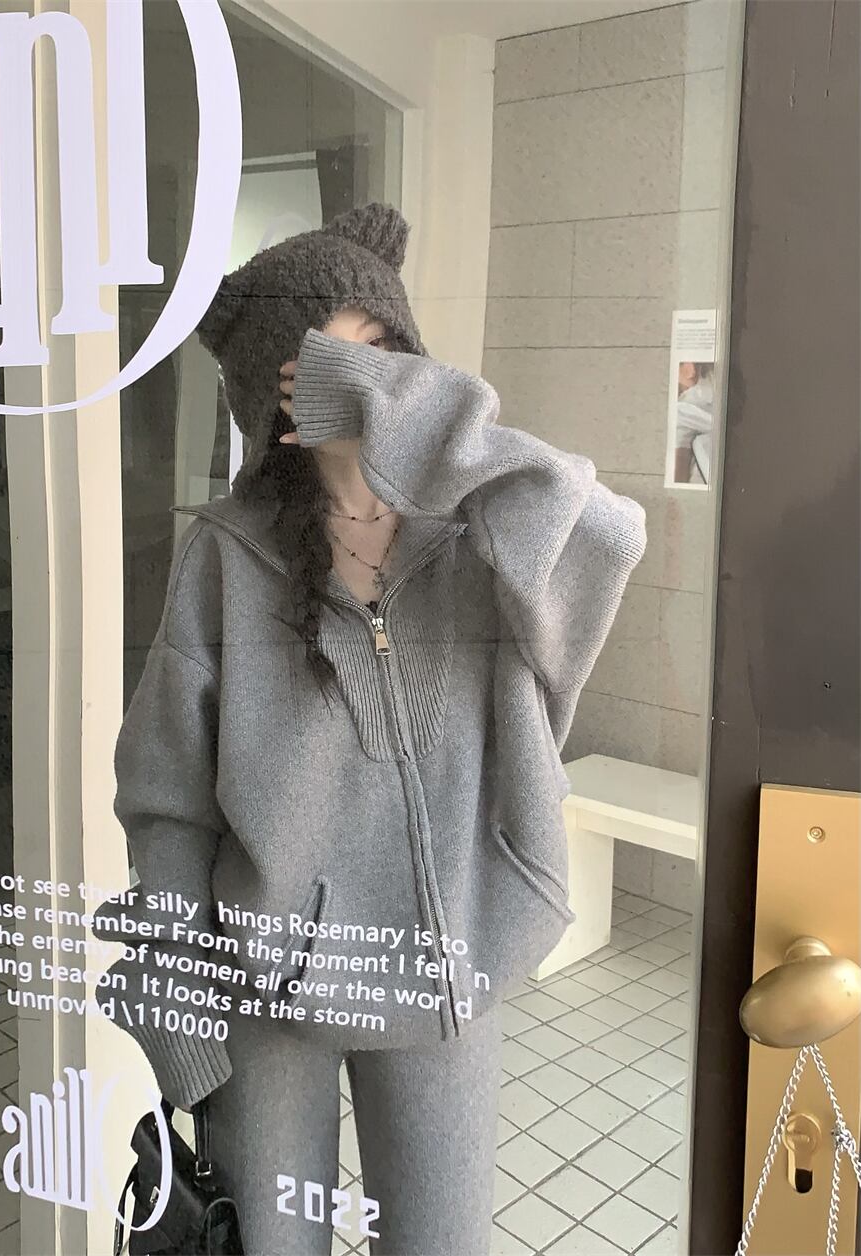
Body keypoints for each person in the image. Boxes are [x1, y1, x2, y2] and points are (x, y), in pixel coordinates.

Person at [93, 203, 647, 1256]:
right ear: (273, 396)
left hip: (442, 968)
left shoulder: (483, 531)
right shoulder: (227, 555)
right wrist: (176, 1000)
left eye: (383, 351)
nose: (363, 382)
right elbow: (165, 799)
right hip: (265, 986)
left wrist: (425, 440)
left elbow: (608, 536)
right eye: (326, 361)